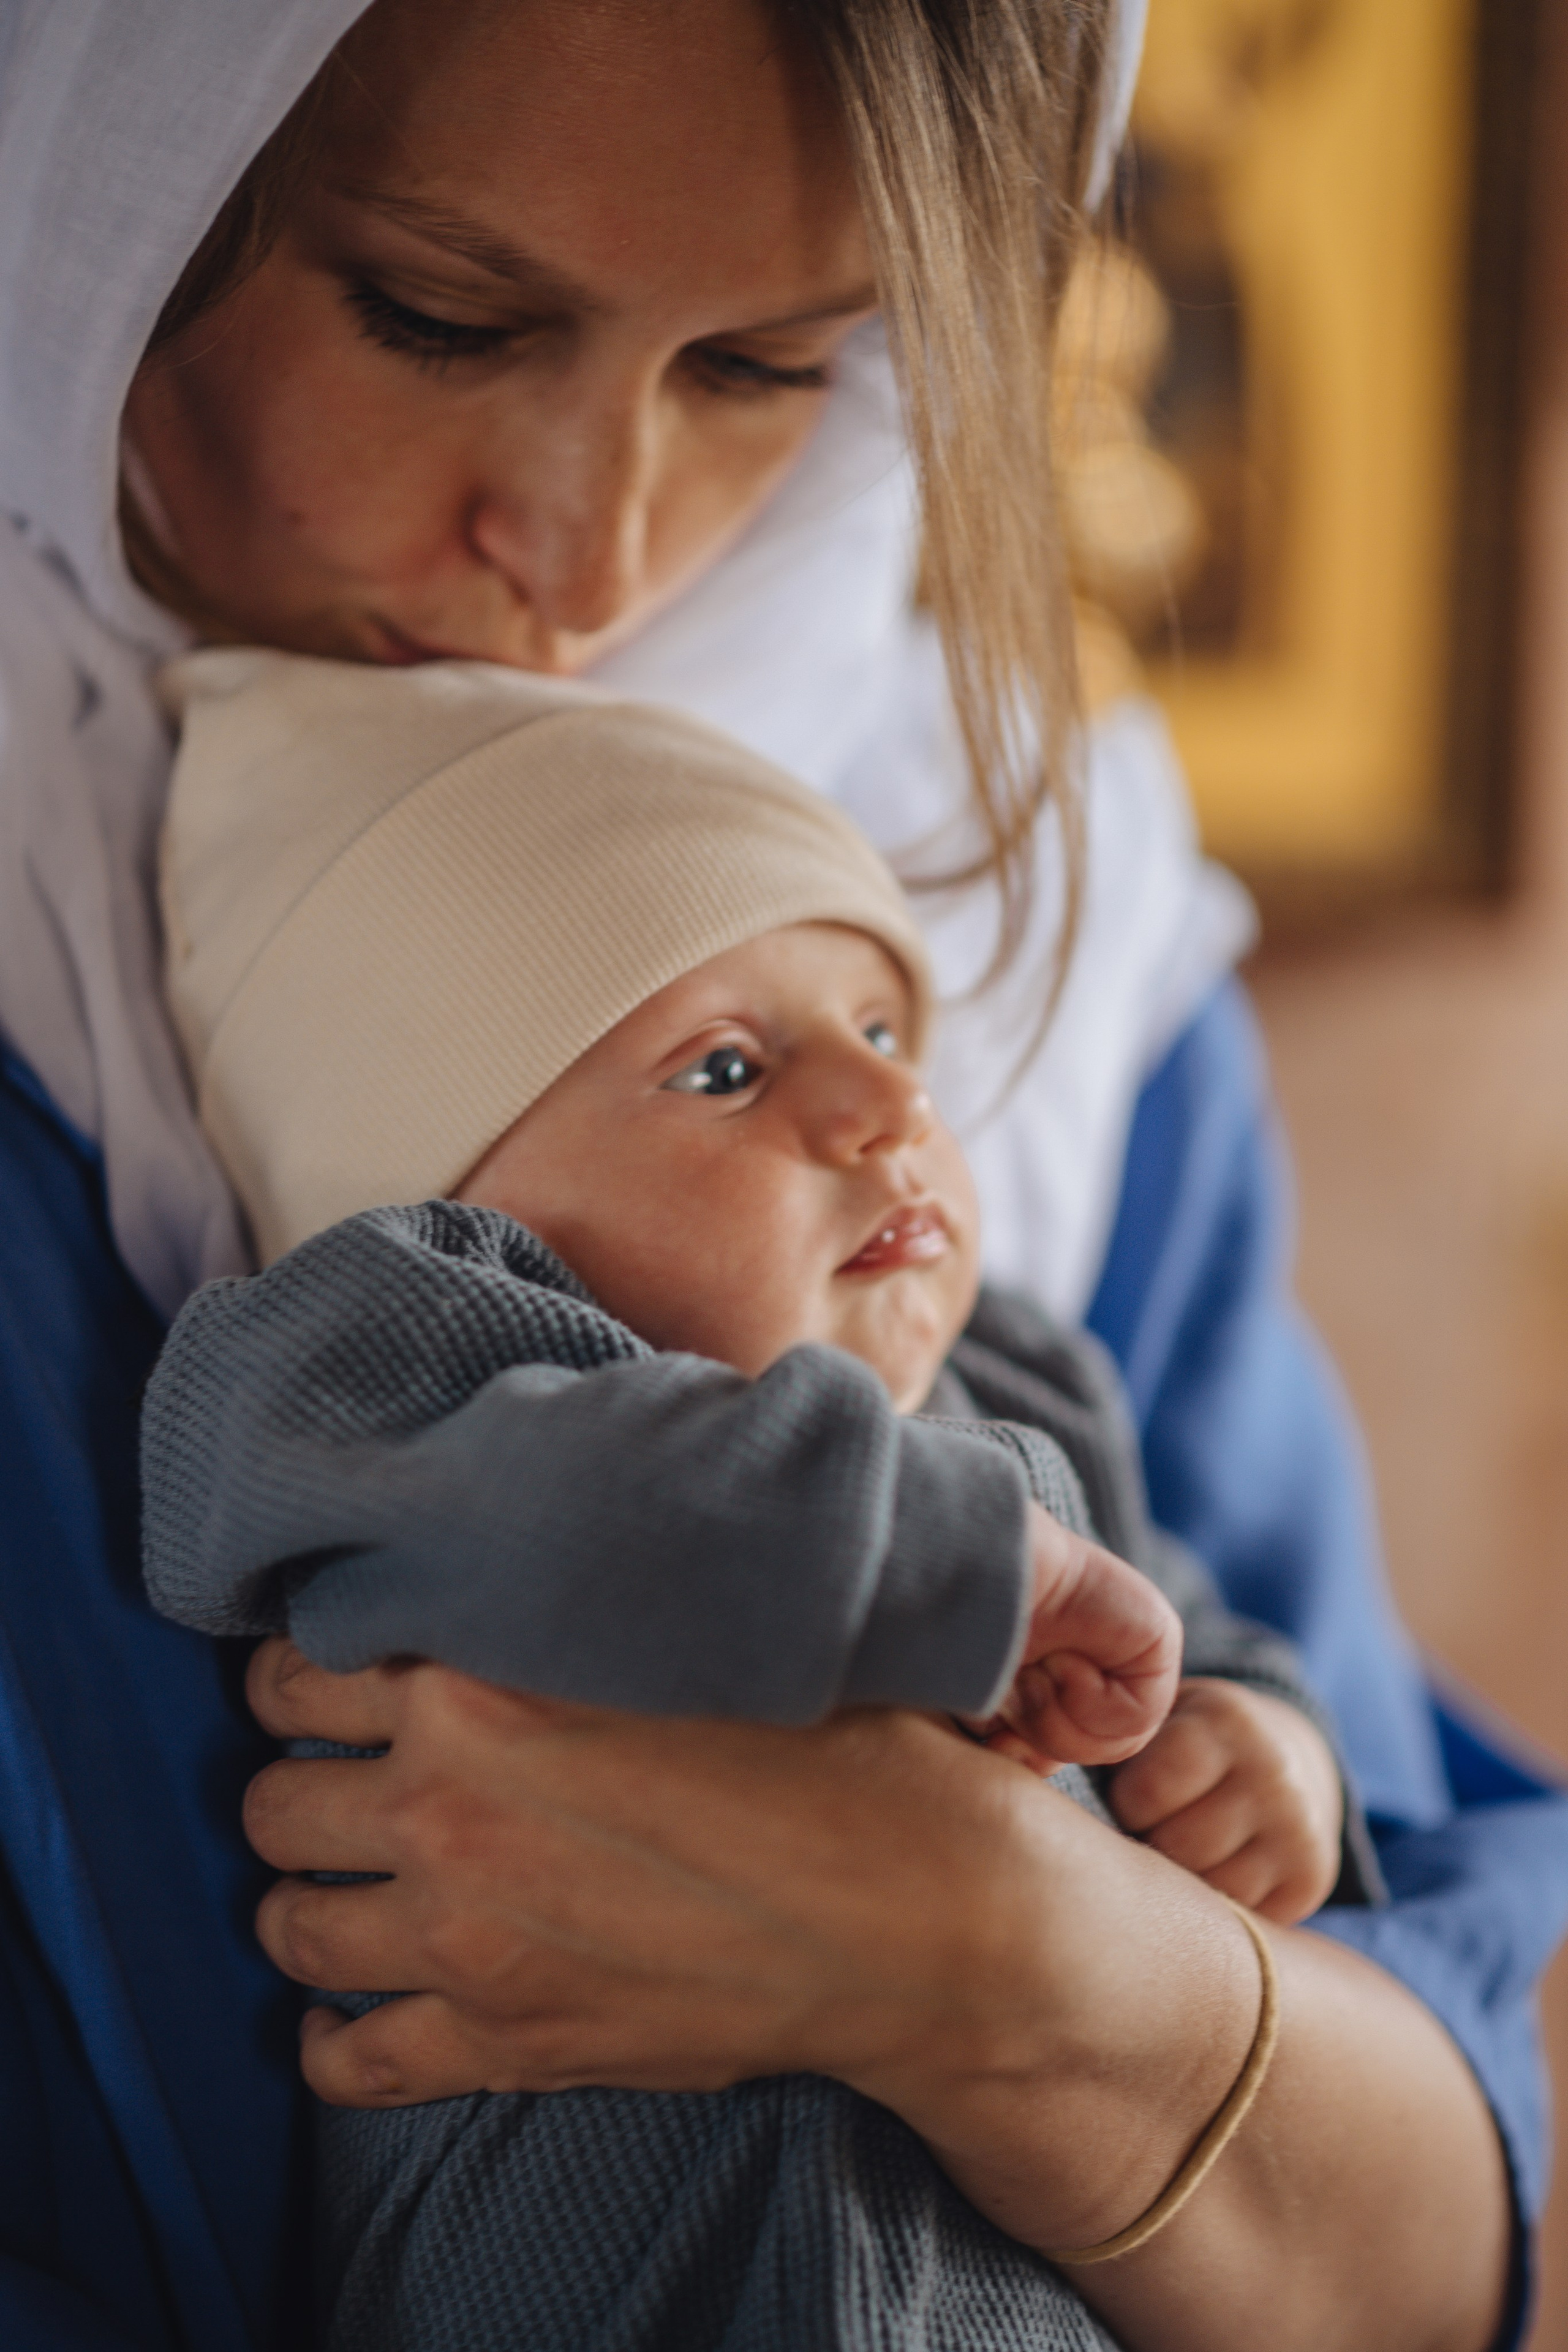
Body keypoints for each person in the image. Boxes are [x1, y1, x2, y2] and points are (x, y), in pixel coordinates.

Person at [0, 2, 1562, 2350]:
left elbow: (1445, 2229)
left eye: (772, 363)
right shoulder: (301, 1286)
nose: (590, 549)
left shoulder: (1046, 965)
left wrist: (1001, 1949)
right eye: (439, 314)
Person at [143, 647, 1357, 2350]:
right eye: (727, 1070)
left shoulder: (1026, 1384)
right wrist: (958, 1546)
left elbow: (1193, 1626)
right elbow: (595, 1519)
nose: (889, 1106)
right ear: (441, 1191)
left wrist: (1259, 1749)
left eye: (879, 1029)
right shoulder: (389, 1359)